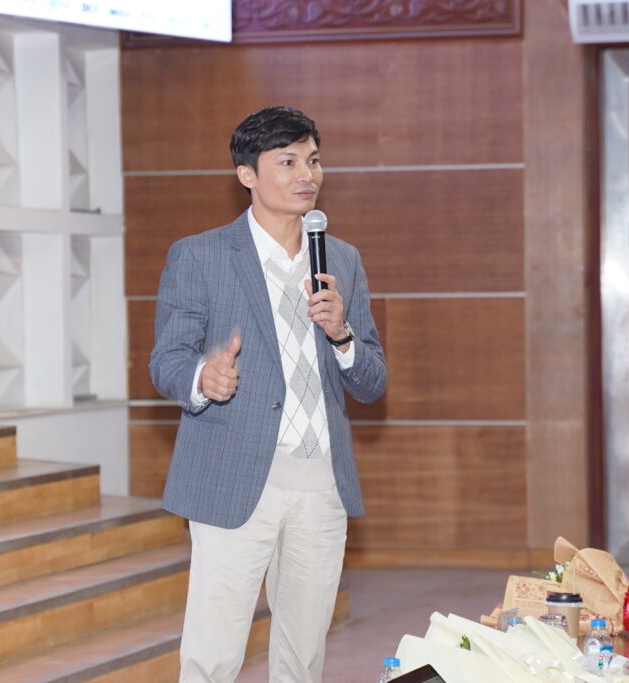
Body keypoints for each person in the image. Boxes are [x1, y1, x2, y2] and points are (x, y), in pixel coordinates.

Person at [149, 105, 388, 682]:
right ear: (247, 174)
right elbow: (167, 361)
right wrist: (203, 378)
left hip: (321, 486)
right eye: (288, 161)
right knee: (213, 657)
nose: (307, 174)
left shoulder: (342, 260)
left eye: (313, 160)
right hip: (232, 476)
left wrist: (343, 335)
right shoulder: (201, 255)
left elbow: (373, 380)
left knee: (302, 659)